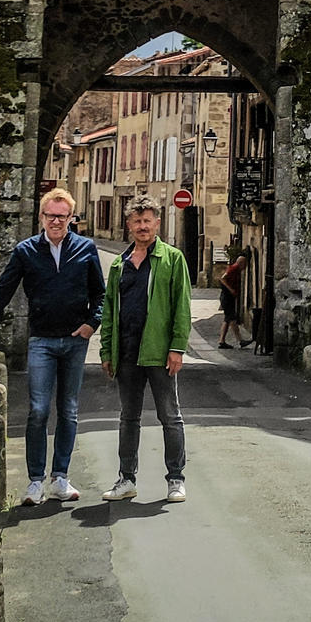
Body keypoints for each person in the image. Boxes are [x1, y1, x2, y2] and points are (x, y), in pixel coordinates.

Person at [0, 187, 104, 506]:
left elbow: (100, 294)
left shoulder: (86, 248)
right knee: (38, 410)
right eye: (51, 215)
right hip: (41, 340)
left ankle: (61, 479)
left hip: (74, 341)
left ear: (71, 218)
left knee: (68, 410)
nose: (56, 221)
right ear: (41, 216)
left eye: (62, 216)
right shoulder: (26, 251)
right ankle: (35, 481)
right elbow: (3, 292)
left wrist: (91, 324)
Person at [100, 197, 191, 503]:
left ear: (157, 223)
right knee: (128, 418)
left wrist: (177, 347)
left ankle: (175, 479)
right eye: (137, 221)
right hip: (126, 352)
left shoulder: (172, 259)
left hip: (159, 351)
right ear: (129, 225)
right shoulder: (118, 264)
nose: (142, 226)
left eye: (147, 220)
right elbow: (109, 309)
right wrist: (106, 351)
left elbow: (182, 306)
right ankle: (126, 479)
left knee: (170, 416)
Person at [216, 246, 249, 350]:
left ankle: (222, 341)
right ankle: (240, 341)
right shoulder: (234, 268)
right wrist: (231, 290)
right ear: (241, 263)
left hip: (228, 297)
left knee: (227, 319)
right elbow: (222, 279)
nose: (246, 266)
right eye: (245, 264)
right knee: (232, 320)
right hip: (227, 297)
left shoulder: (237, 269)